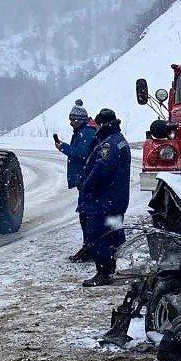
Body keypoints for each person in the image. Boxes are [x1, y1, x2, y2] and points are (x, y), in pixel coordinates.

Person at [77, 108, 131, 288]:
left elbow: (101, 171)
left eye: (97, 125)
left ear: (102, 124)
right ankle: (112, 265)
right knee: (114, 232)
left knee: (96, 235)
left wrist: (86, 188)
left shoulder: (108, 145)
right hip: (116, 199)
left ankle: (104, 271)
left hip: (103, 201)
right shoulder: (120, 140)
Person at [53, 99, 96, 263]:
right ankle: (88, 246)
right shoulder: (83, 131)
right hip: (84, 178)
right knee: (85, 214)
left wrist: (63, 147)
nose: (71, 123)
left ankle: (90, 247)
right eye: (70, 119)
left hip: (86, 178)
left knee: (86, 215)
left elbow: (82, 153)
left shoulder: (86, 132)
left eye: (73, 120)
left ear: (81, 119)